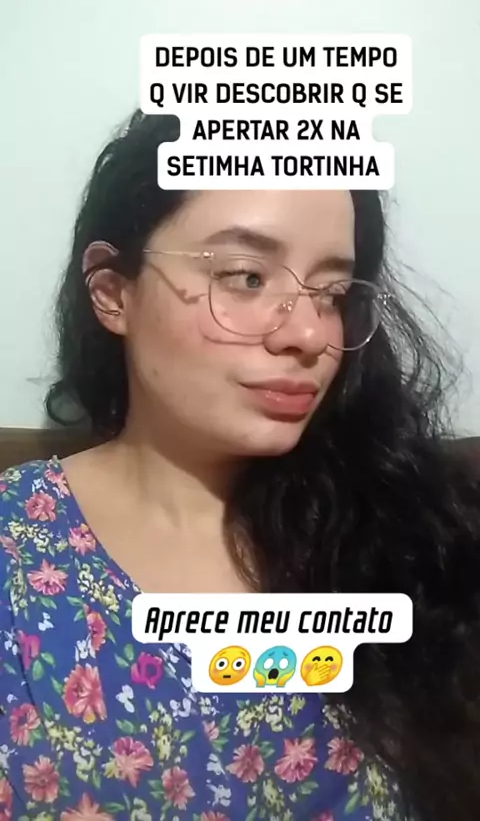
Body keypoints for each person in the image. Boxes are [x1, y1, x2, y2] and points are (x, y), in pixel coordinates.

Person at [0, 110, 478, 821]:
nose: (309, 333)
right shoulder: (18, 551)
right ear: (113, 291)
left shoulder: (403, 525)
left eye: (332, 294)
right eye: (246, 276)